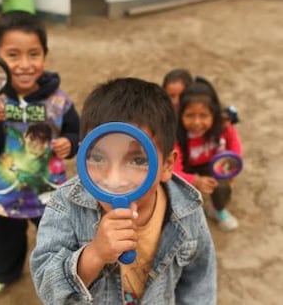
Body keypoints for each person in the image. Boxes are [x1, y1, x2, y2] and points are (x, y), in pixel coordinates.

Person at [30, 78, 216, 304]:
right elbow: (47, 287)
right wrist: (94, 255)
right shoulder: (66, 204)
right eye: (98, 157)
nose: (114, 179)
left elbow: (199, 282)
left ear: (167, 165)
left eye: (137, 160)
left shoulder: (188, 210)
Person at [0, 11, 80, 297]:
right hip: (6, 194)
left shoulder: (59, 100)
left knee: (56, 241)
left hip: (49, 195)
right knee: (5, 244)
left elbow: (77, 132)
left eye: (34, 54)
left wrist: (69, 142)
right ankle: (5, 273)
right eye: (13, 55)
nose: (25, 64)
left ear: (45, 54)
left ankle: (62, 276)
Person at [173, 76, 242, 232]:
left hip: (212, 164)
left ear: (214, 115)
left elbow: (235, 146)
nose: (197, 122)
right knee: (172, 188)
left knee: (222, 185)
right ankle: (182, 216)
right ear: (180, 115)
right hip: (185, 168)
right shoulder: (176, 135)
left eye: (203, 115)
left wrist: (231, 166)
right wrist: (194, 180)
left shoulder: (222, 125)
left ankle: (217, 209)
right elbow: (172, 170)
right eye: (190, 115)